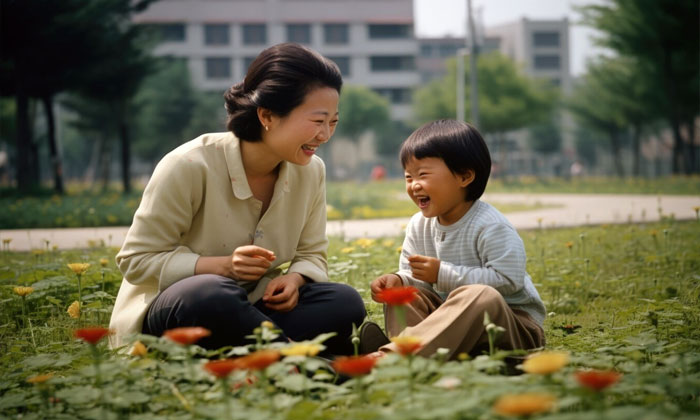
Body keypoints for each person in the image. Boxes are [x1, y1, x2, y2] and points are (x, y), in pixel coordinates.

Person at [109, 43, 366, 355]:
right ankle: (298, 360)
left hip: (254, 310)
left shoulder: (311, 172)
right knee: (211, 294)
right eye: (317, 121)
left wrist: (296, 279)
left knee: (344, 302)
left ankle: (257, 359)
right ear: (267, 115)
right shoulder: (189, 165)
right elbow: (135, 261)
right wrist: (223, 267)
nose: (325, 135)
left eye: (333, 122)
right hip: (181, 312)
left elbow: (311, 253)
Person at [365, 119, 546, 359]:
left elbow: (509, 279)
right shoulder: (419, 225)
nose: (414, 185)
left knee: (482, 295)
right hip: (447, 324)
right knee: (404, 294)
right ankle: (416, 356)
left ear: (464, 176)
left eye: (423, 175)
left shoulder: (490, 225)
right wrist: (398, 280)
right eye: (408, 177)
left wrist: (442, 274)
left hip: (511, 326)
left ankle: (394, 357)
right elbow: (416, 279)